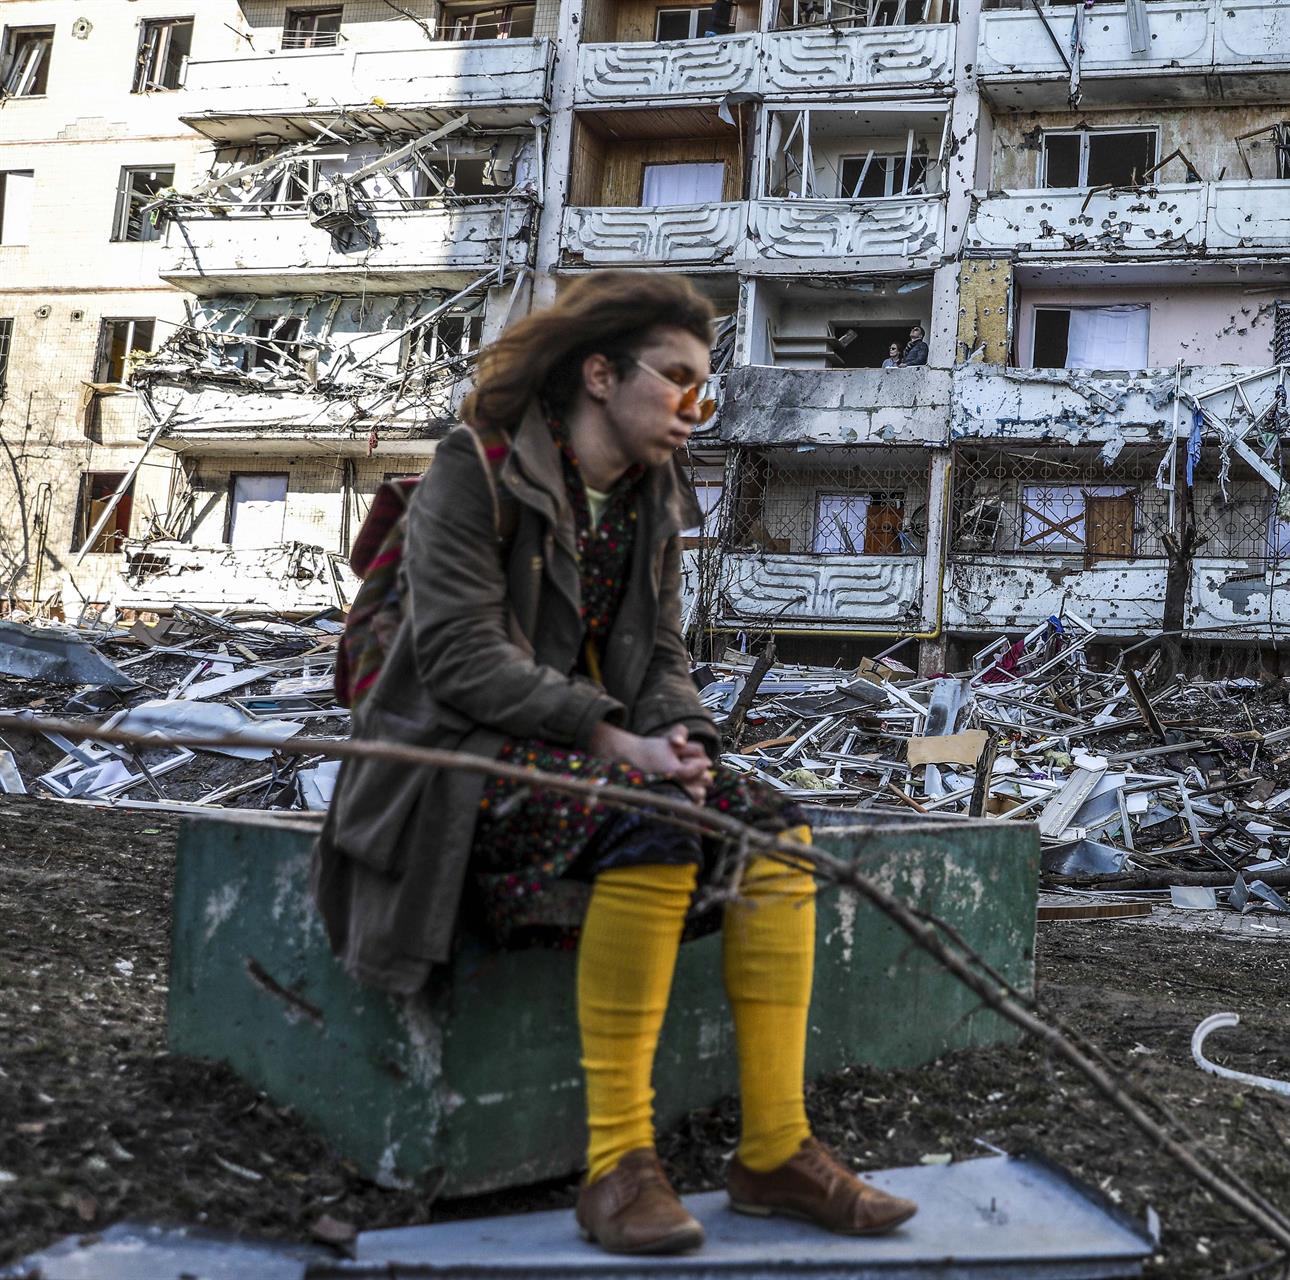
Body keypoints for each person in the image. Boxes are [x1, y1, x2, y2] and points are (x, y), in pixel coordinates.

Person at [312, 273, 916, 1256]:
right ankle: (619, 1165)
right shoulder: (478, 467)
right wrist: (611, 738)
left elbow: (663, 652)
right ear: (600, 373)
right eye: (677, 380)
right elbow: (461, 655)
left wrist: (682, 737)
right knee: (653, 818)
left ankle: (774, 1149)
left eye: (703, 389)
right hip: (453, 758)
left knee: (777, 827)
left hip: (596, 754)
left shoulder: (650, 495)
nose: (695, 407)